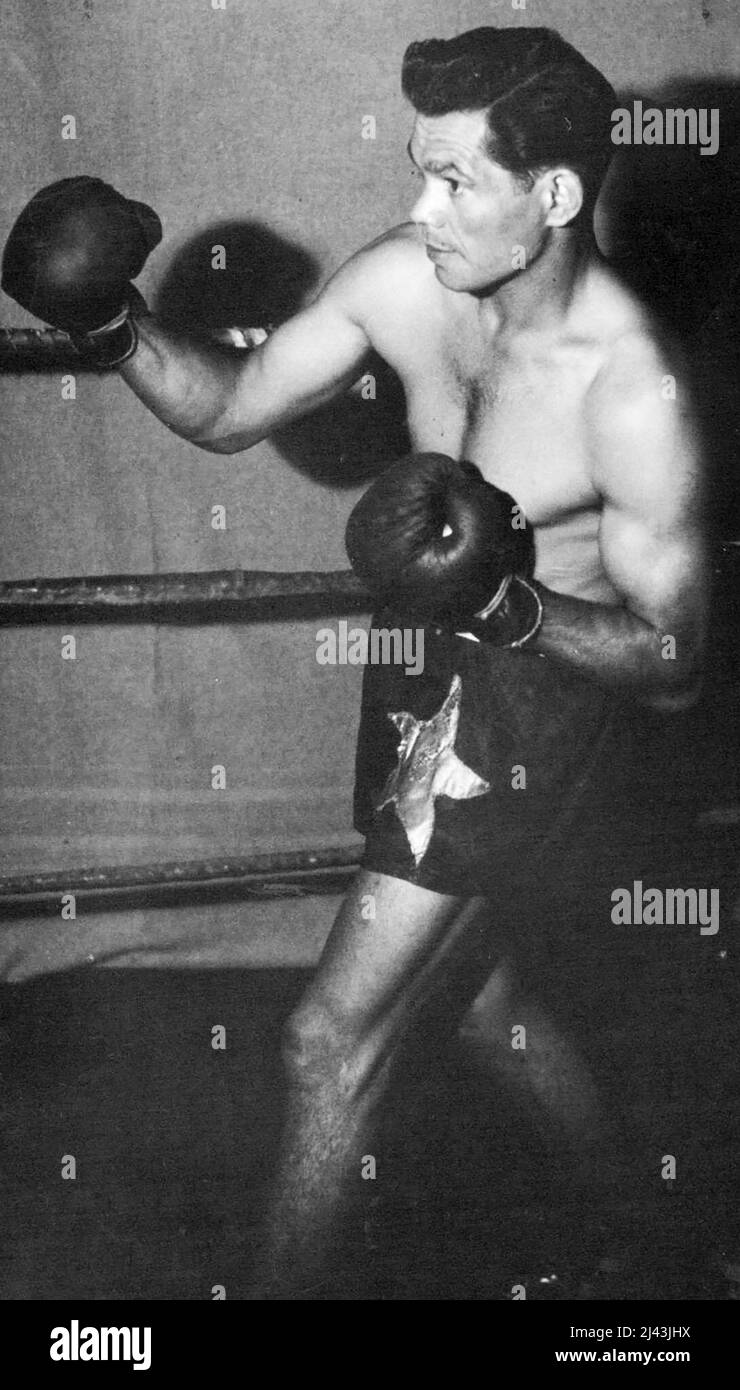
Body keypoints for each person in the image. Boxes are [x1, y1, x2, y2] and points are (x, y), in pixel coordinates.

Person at [2, 26, 711, 1299]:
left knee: (328, 1038)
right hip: (424, 661)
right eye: (415, 172)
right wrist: (111, 323)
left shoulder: (629, 393)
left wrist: (505, 611)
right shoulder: (403, 282)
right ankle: (672, 1257)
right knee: (475, 995)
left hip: (540, 701)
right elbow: (226, 410)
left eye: (453, 184)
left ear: (550, 196)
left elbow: (673, 664)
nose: (415, 211)